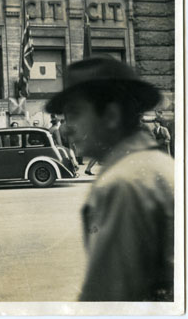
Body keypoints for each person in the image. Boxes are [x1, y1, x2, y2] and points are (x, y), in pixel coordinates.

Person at [46, 57, 173, 301]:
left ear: (111, 116)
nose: (68, 128)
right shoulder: (154, 164)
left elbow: (105, 301)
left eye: (75, 113)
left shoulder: (122, 183)